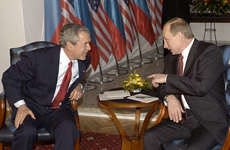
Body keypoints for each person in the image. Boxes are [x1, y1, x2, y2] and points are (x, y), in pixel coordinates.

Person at [2, 23, 91, 150]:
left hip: (59, 109)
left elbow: (82, 77)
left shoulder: (85, 58)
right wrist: (21, 106)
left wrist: (79, 86)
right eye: (85, 44)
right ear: (70, 45)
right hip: (31, 107)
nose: (89, 48)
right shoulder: (38, 58)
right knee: (27, 132)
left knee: (68, 129)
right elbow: (9, 77)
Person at [144, 17, 228, 150]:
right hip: (183, 119)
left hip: (208, 123)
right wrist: (169, 97)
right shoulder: (171, 58)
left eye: (167, 40)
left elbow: (200, 87)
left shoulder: (209, 52)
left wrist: (167, 78)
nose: (165, 45)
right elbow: (161, 87)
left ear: (179, 36)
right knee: (150, 137)